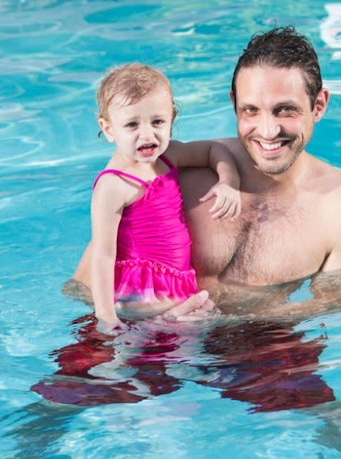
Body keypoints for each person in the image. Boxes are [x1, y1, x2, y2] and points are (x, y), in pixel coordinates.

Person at [72, 26, 341, 318]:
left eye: (285, 110)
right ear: (234, 104)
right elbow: (84, 284)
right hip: (137, 334)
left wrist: (214, 324)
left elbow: (331, 311)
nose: (268, 131)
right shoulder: (169, 170)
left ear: (318, 105)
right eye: (251, 110)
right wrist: (141, 320)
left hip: (264, 351)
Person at [71, 63, 242, 334]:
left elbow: (214, 150)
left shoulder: (168, 155)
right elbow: (103, 256)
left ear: (172, 119)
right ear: (108, 129)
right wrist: (106, 318)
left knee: (184, 347)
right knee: (178, 330)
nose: (147, 134)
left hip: (176, 282)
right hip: (140, 291)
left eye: (157, 122)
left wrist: (228, 182)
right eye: (132, 124)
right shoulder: (113, 184)